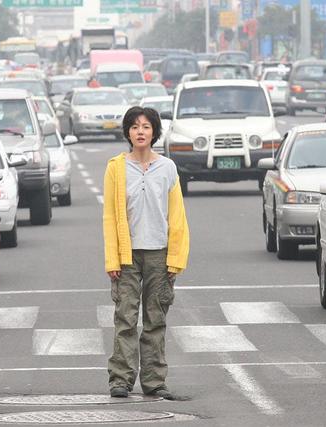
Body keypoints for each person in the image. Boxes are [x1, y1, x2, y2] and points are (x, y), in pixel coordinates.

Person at [103, 106, 190, 400]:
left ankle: (154, 380)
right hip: (127, 256)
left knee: (156, 318)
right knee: (125, 318)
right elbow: (110, 218)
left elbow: (177, 216)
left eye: (146, 127)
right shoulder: (116, 167)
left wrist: (176, 258)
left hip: (160, 254)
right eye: (135, 127)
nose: (140, 132)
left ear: (154, 132)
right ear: (127, 132)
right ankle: (121, 380)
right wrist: (112, 259)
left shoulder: (168, 168)